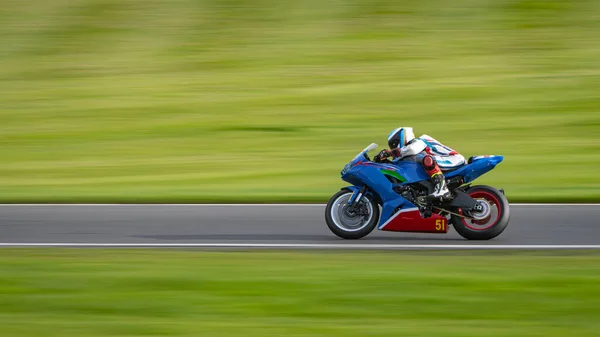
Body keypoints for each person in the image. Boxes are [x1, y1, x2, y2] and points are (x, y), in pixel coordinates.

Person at [376, 127, 466, 201]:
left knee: (427, 159)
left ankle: (442, 188)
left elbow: (411, 150)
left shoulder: (420, 141)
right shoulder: (408, 150)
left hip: (454, 159)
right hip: (445, 162)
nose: (393, 147)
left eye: (394, 144)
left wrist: (390, 153)